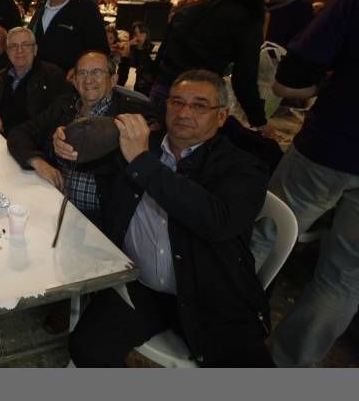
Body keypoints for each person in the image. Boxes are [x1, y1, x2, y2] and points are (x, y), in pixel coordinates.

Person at [68, 69, 273, 367]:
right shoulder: (144, 144)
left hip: (210, 294)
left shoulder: (243, 168)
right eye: (176, 102)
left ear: (221, 116)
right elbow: (96, 163)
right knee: (86, 348)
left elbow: (215, 220)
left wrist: (142, 162)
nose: (184, 111)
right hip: (141, 287)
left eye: (199, 105)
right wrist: (67, 144)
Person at [250, 0, 359, 367]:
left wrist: (331, 85)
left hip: (332, 145)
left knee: (264, 235)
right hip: (334, 145)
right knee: (345, 278)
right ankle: (286, 364)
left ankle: (225, 328)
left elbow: (292, 74)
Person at [7, 51, 155, 223]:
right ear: (75, 81)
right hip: (56, 203)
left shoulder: (129, 116)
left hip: (100, 221)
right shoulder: (64, 105)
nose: (88, 79)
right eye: (82, 73)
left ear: (114, 80)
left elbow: (130, 168)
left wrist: (71, 145)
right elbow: (20, 132)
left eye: (97, 72)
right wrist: (38, 161)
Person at [151, 0, 284, 130]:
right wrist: (259, 120)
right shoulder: (248, 22)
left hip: (163, 91)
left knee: (157, 146)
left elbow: (162, 55)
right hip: (195, 101)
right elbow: (244, 79)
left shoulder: (191, 10)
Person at [0, 27, 67, 137]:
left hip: (31, 144)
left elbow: (58, 116)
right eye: (14, 46)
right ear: (8, 51)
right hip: (0, 139)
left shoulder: (52, 75)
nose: (19, 50)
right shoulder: (3, 75)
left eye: (25, 45)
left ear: (35, 49)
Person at [30, 0, 109, 72]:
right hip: (40, 80)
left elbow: (100, 51)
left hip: (69, 84)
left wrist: (79, 71)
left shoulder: (87, 9)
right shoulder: (41, 7)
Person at [116, 22, 156, 98]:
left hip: (148, 91)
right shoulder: (130, 51)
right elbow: (121, 79)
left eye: (141, 32)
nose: (138, 36)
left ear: (147, 34)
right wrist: (125, 54)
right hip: (134, 91)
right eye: (135, 33)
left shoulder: (153, 50)